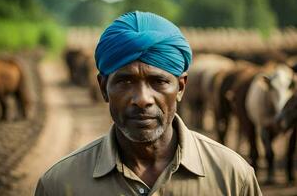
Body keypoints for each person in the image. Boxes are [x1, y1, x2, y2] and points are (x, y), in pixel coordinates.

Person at [35, 11, 262, 196]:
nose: (142, 99)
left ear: (181, 87)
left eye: (159, 81)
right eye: (124, 81)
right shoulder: (59, 184)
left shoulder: (233, 177)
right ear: (103, 88)